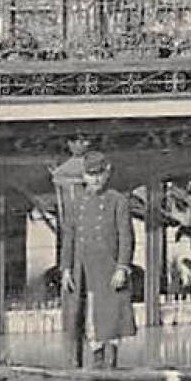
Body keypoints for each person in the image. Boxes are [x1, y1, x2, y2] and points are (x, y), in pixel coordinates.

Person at [61, 150, 136, 368]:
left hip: (109, 270)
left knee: (111, 324)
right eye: (90, 174)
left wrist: (122, 267)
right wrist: (66, 268)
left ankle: (110, 371)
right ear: (83, 176)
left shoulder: (117, 201)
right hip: (82, 272)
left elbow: (126, 236)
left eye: (98, 174)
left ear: (107, 173)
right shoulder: (76, 203)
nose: (94, 179)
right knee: (87, 321)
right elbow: (69, 238)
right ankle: (90, 369)